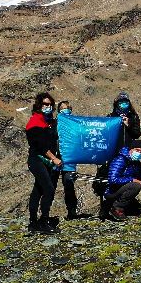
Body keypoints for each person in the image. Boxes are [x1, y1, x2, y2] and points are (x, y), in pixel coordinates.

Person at [24, 92, 62, 235]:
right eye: (45, 104)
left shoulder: (48, 121)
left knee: (38, 190)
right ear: (39, 105)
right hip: (37, 159)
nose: (48, 106)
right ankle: (43, 221)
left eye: (51, 104)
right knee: (48, 189)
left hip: (44, 161)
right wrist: (54, 158)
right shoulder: (35, 122)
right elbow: (41, 146)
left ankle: (33, 223)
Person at [103, 139, 141, 221]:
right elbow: (112, 179)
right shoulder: (120, 159)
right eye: (137, 150)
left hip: (122, 190)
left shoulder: (136, 163)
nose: (139, 153)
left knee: (139, 211)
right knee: (136, 185)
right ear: (131, 149)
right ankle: (117, 207)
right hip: (112, 191)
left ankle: (114, 206)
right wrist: (132, 179)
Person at [53, 101, 88, 220]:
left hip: (70, 159)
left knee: (68, 184)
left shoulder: (75, 122)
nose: (65, 110)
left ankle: (72, 211)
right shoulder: (55, 122)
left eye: (67, 108)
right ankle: (44, 213)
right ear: (58, 110)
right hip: (56, 157)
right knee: (50, 185)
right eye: (62, 108)